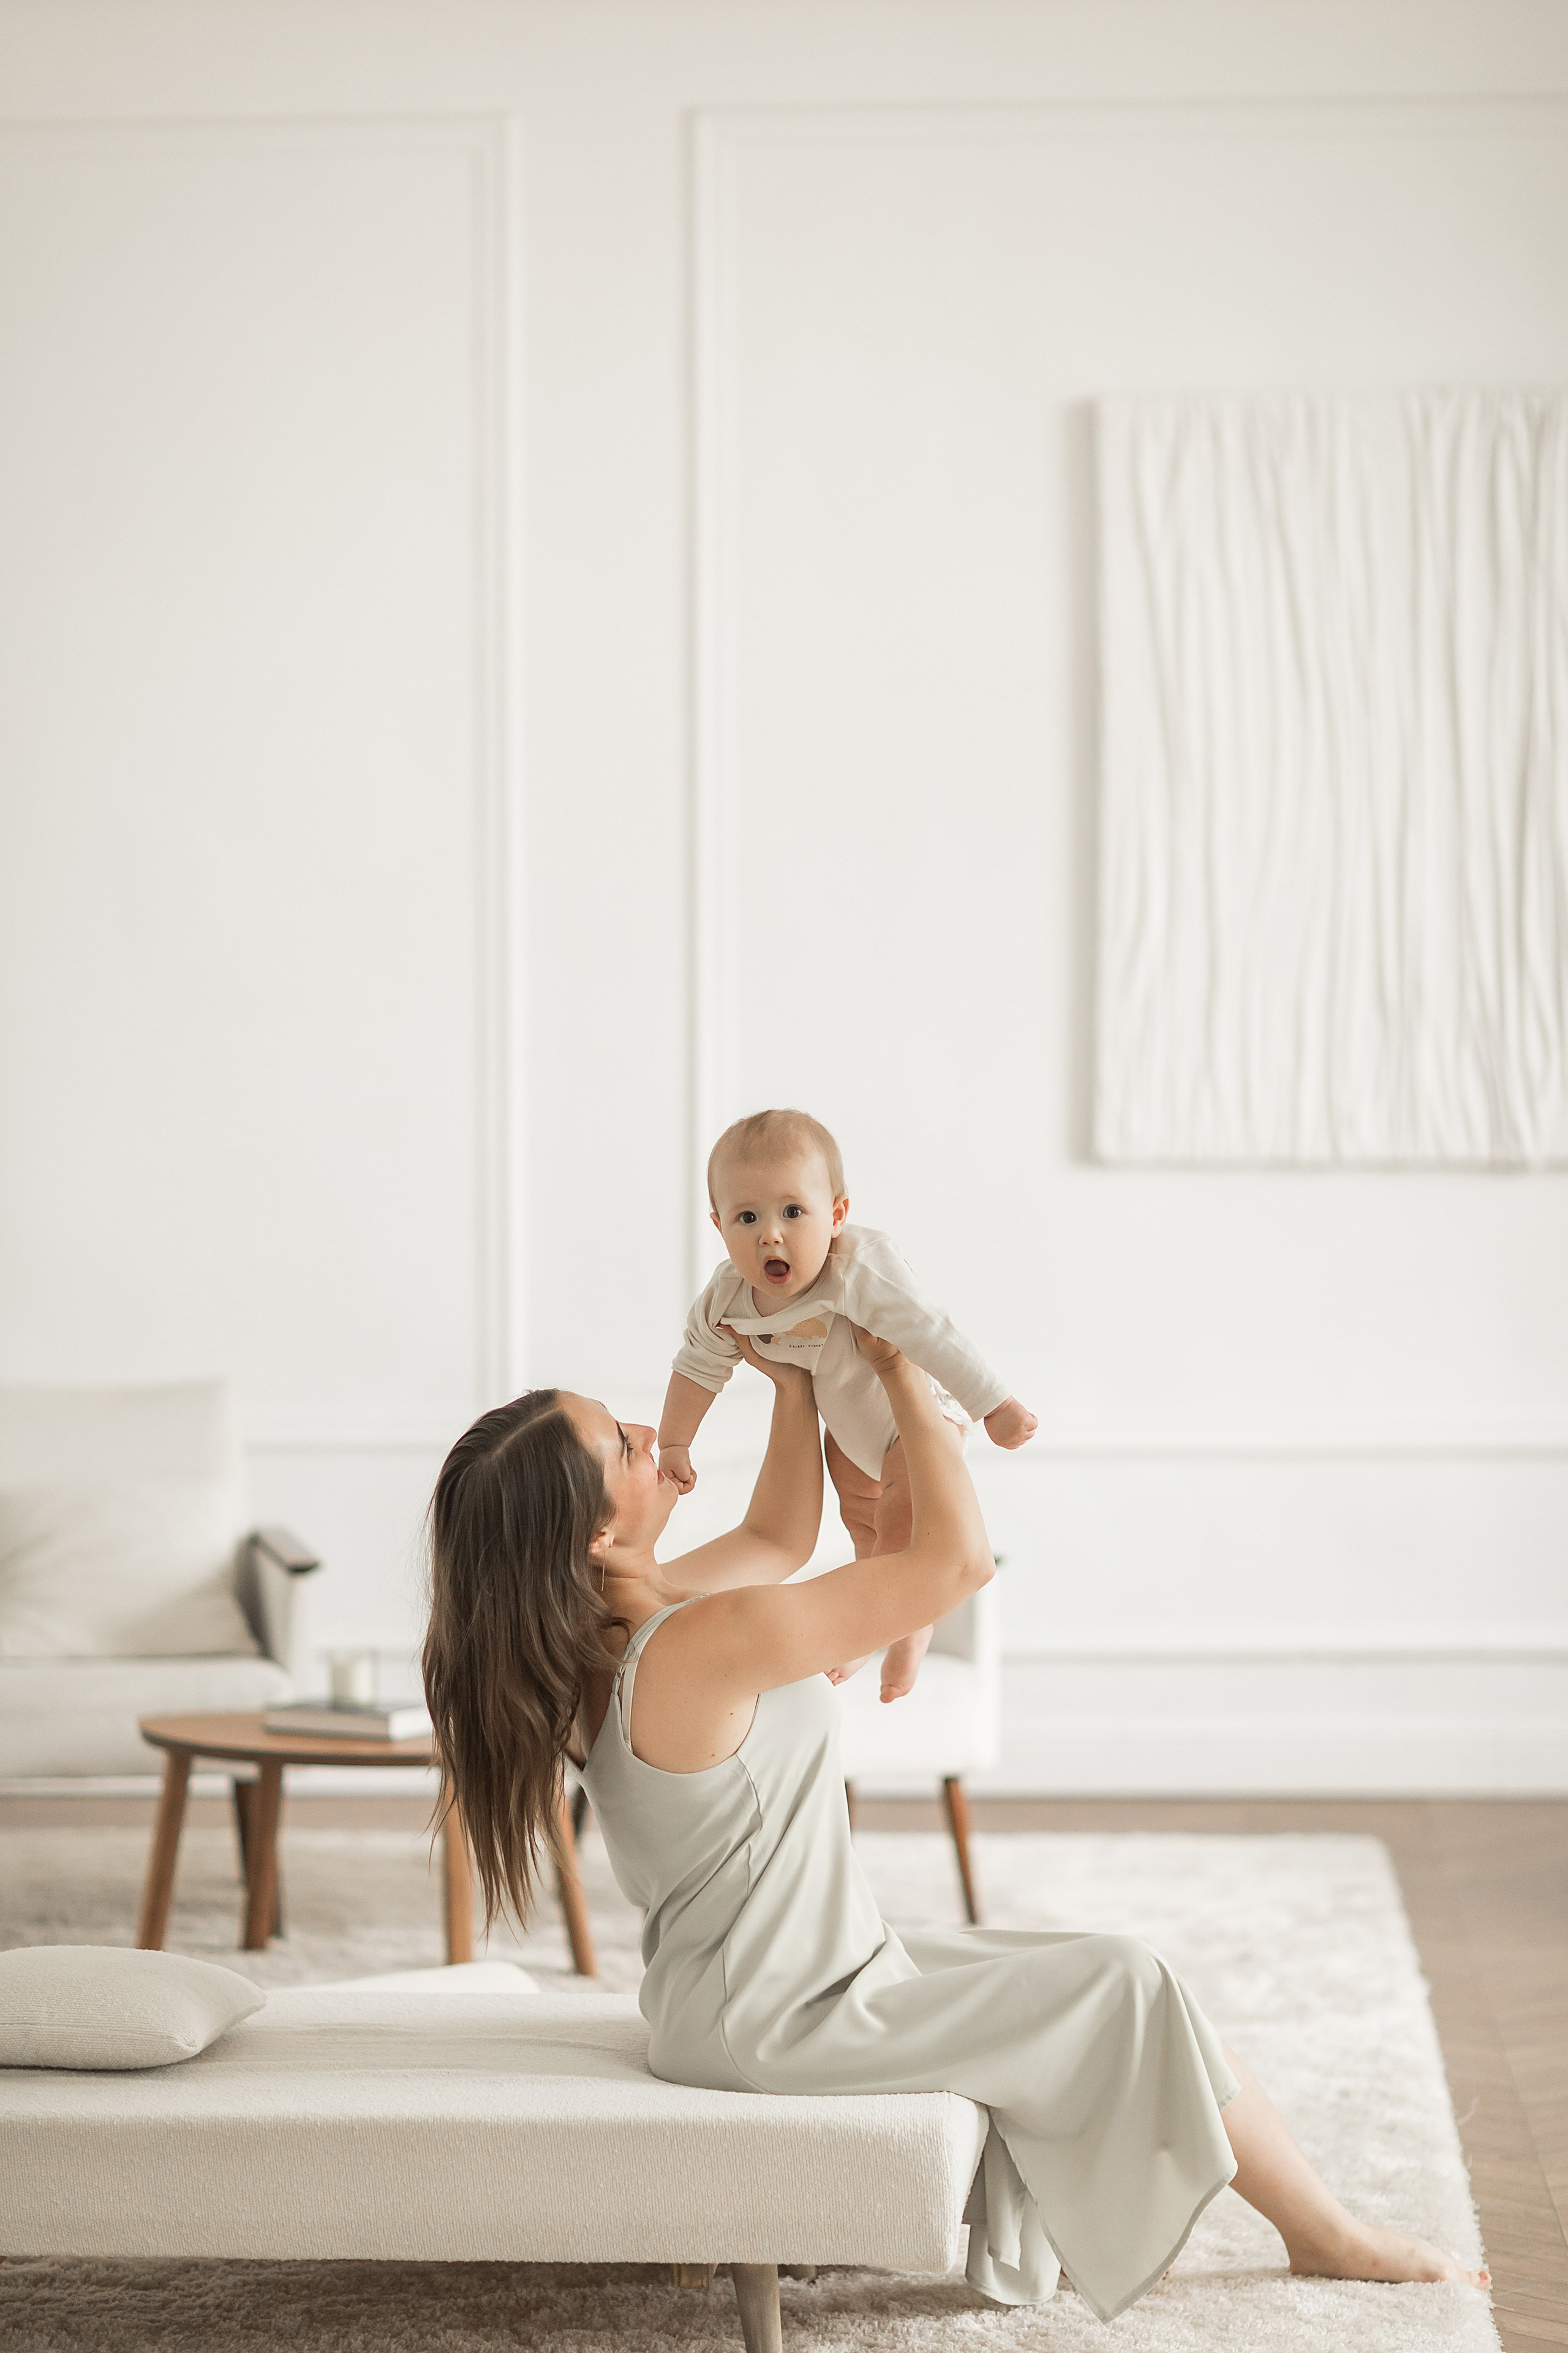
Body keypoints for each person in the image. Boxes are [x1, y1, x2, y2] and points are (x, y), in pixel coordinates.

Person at [422, 1332, 1488, 2324]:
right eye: (622, 1441)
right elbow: (957, 1569)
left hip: (757, 1987)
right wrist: (906, 1381)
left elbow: (778, 1534)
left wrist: (791, 1376)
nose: (653, 1432)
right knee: (1127, 1975)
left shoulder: (607, 1631)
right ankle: (1330, 2237)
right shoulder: (695, 1638)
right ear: (597, 1530)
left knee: (1102, 1978)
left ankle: (1320, 2228)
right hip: (788, 2013)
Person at [657, 1106, 1036, 1701]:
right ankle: (880, 1616)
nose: (770, 1234)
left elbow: (934, 1334)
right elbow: (697, 1365)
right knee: (864, 1532)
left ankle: (905, 1631)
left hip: (916, 1418)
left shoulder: (859, 1268)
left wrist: (995, 1405)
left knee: (900, 1530)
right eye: (746, 1216)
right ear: (718, 1225)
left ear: (835, 1216)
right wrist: (675, 1441)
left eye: (792, 1212)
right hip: (848, 1430)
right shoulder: (727, 1298)